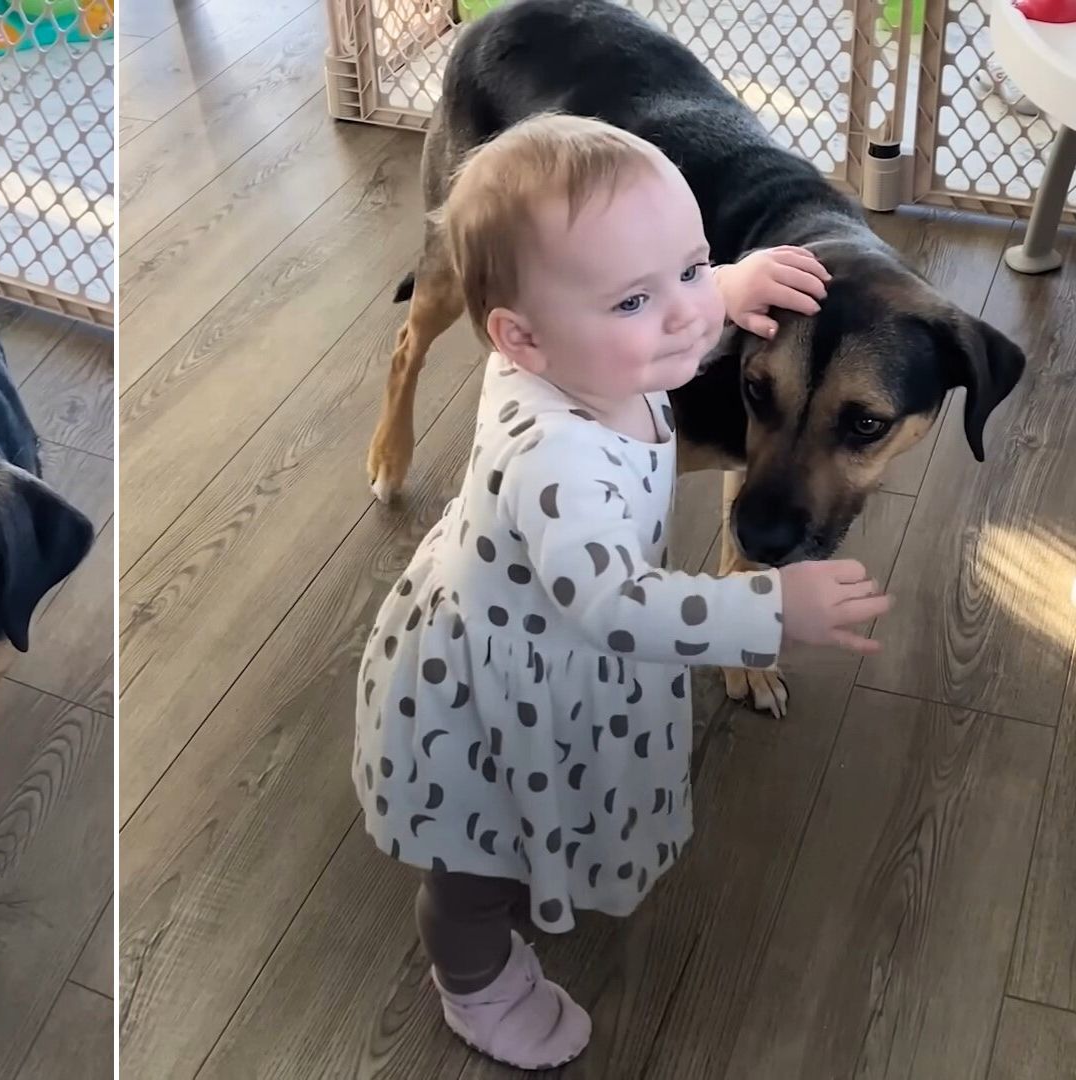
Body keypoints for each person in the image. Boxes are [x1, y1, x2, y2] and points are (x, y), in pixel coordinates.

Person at [351, 113, 892, 1069]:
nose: (689, 314)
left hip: (543, 652)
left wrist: (730, 284)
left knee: (532, 818)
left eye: (691, 266)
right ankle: (471, 979)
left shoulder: (591, 355)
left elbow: (667, 311)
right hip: (493, 689)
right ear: (522, 338)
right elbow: (618, 607)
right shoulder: (556, 459)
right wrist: (770, 610)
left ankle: (520, 882)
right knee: (476, 866)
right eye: (637, 298)